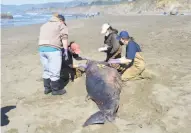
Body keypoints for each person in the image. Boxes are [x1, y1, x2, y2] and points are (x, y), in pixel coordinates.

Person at [38, 13, 69, 95]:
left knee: (46, 69)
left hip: (41, 49)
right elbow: (64, 38)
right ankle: (55, 90)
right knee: (55, 70)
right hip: (53, 50)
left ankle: (47, 88)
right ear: (61, 20)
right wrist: (65, 50)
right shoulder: (60, 24)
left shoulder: (44, 25)